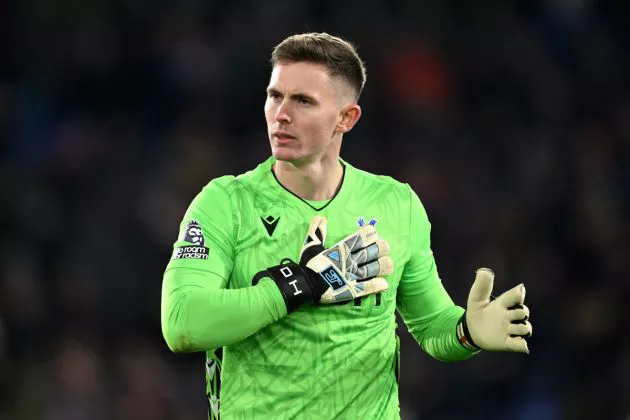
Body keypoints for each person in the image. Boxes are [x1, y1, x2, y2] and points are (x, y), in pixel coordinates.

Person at [160, 32, 533, 420]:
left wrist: (466, 332)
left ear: (346, 118)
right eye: (275, 96)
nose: (281, 114)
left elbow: (431, 326)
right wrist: (301, 284)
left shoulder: (395, 204)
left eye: (303, 101)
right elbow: (183, 323)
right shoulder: (226, 203)